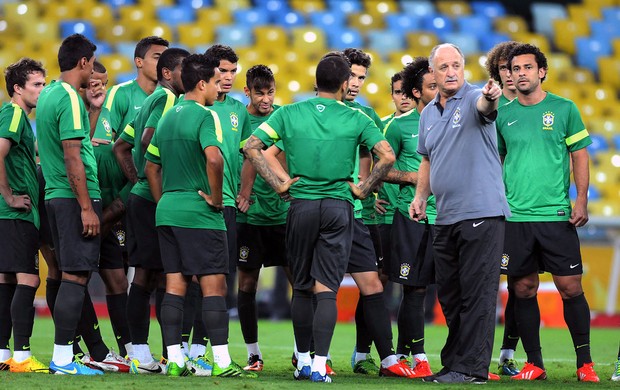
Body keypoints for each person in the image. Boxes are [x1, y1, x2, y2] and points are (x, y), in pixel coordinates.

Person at [244, 54, 397, 383]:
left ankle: (301, 359)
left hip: (301, 205)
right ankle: (319, 364)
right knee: (326, 287)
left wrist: (280, 184)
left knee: (301, 286)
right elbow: (387, 155)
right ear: (344, 84)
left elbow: (252, 147)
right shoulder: (356, 118)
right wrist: (364, 189)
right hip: (339, 207)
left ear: (317, 81)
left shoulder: (289, 112)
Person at [144, 53, 255, 378]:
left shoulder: (168, 116)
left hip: (168, 211)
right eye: (215, 80)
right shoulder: (207, 117)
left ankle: (175, 359)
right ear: (202, 83)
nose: (220, 84)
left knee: (175, 285)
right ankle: (221, 361)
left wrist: (164, 200)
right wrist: (217, 198)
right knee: (214, 286)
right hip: (200, 213)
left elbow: (152, 167)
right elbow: (215, 160)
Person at [496, 43, 599, 382]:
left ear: (541, 72)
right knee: (522, 289)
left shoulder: (565, 108)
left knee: (570, 287)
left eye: (528, 67)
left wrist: (580, 198)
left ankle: (585, 364)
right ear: (508, 75)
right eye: (515, 69)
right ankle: (534, 363)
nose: (521, 73)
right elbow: (496, 160)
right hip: (515, 217)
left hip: (555, 215)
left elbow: (580, 155)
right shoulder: (503, 115)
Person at [410, 43, 510, 384]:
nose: (451, 72)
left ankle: (471, 370)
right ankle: (454, 364)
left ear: (463, 68)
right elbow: (426, 158)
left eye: (456, 65)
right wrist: (420, 196)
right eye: (444, 67)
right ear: (433, 74)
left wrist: (492, 96)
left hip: (482, 212)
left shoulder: (474, 97)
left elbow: (487, 106)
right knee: (451, 295)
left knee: (478, 293)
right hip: (445, 216)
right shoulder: (427, 114)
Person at [113, 47, 189, 374]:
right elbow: (147, 138)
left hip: (142, 196)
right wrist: (150, 177)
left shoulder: (149, 101)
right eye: (186, 69)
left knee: (152, 273)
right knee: (148, 274)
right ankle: (141, 354)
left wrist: (136, 177)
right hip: (153, 199)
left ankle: (151, 352)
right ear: (169, 74)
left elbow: (121, 145)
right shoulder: (169, 101)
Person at [36, 33, 103, 376]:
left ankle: (66, 356)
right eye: (92, 63)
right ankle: (62, 359)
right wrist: (87, 207)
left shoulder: (48, 93)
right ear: (83, 62)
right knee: (76, 277)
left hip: (54, 196)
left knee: (66, 275)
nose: (93, 69)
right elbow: (72, 155)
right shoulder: (69, 98)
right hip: (72, 197)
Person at [381, 57, 437, 378]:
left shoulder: (449, 120)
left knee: (429, 289)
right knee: (412, 288)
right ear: (416, 93)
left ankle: (405, 353)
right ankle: (418, 355)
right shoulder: (398, 126)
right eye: (431, 86)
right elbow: (380, 169)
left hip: (444, 216)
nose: (439, 89)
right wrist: (413, 178)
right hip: (410, 216)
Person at [235, 64, 291, 372]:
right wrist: (243, 193)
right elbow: (245, 159)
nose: (266, 99)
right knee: (247, 283)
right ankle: (253, 354)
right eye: (259, 93)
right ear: (248, 92)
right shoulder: (239, 119)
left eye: (270, 92)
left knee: (300, 280)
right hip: (250, 215)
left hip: (283, 214)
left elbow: (288, 157)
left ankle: (302, 352)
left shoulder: (283, 116)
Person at [341, 47, 391, 376]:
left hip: (360, 213)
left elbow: (380, 157)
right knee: (312, 286)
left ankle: (370, 355)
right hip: (321, 208)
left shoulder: (365, 115)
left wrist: (369, 186)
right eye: (352, 76)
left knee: (372, 283)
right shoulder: (307, 110)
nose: (356, 83)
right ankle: (310, 356)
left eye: (362, 77)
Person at [0, 58, 47, 373]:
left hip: (7, 215)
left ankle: (3, 356)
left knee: (5, 280)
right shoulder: (14, 114)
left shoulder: (14, 116)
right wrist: (8, 195)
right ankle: (22, 356)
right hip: (14, 213)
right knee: (28, 278)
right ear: (18, 88)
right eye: (36, 85)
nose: (42, 91)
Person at [202, 44, 253, 320]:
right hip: (201, 201)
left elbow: (248, 155)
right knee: (195, 277)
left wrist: (244, 190)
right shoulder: (195, 106)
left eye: (234, 71)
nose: (229, 76)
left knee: (223, 273)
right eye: (223, 70)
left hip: (228, 202)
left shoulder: (238, 111)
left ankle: (208, 346)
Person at [485, 40, 522, 377]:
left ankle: (508, 352)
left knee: (519, 285)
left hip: (527, 210)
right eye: (503, 69)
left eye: (515, 68)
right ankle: (475, 352)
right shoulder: (489, 112)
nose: (510, 75)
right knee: (486, 282)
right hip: (494, 208)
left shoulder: (537, 110)